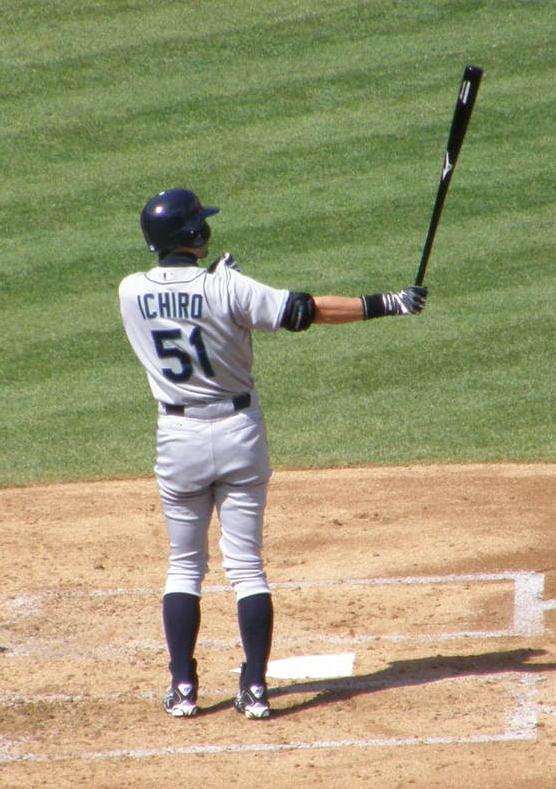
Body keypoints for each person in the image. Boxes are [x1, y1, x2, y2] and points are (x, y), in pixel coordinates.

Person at [119, 189, 427, 720]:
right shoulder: (228, 286)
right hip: (238, 431)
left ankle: (184, 688)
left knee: (184, 568)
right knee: (247, 569)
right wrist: (390, 302)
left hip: (177, 439)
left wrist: (217, 285)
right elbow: (304, 311)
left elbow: (182, 303)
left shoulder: (129, 291)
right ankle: (256, 689)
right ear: (197, 236)